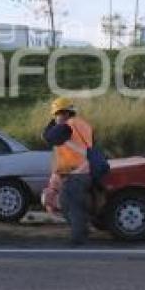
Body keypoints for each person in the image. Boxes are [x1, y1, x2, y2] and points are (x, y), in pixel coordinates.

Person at [42, 97, 95, 246]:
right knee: (75, 204)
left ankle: (78, 238)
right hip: (84, 171)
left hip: (76, 174)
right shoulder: (83, 124)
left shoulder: (67, 126)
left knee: (70, 205)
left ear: (64, 113)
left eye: (56, 115)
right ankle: (83, 231)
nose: (55, 118)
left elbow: (48, 137)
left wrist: (52, 124)